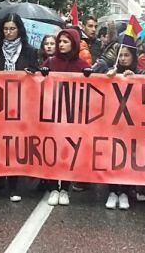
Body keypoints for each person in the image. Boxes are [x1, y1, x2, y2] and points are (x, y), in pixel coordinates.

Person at [0, 13, 39, 202]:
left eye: (12, 29)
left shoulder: (30, 50)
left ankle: (14, 186)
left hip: (20, 105)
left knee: (15, 144)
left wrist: (31, 73)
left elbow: (36, 73)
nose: (9, 32)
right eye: (6, 29)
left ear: (19, 30)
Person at [40, 28, 90, 206]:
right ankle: (54, 187)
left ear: (74, 44)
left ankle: (65, 189)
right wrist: (42, 73)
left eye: (65, 41)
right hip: (52, 115)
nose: (61, 45)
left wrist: (89, 76)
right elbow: (36, 83)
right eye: (60, 41)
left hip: (72, 116)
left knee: (68, 151)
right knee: (53, 150)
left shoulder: (82, 65)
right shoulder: (51, 61)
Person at [104, 45, 145, 210]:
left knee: (129, 158)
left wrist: (136, 79)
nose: (122, 58)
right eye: (120, 55)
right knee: (113, 157)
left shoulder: (141, 73)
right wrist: (108, 77)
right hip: (114, 122)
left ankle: (125, 193)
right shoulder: (111, 71)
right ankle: (112, 191)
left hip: (133, 123)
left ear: (133, 57)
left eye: (126, 55)